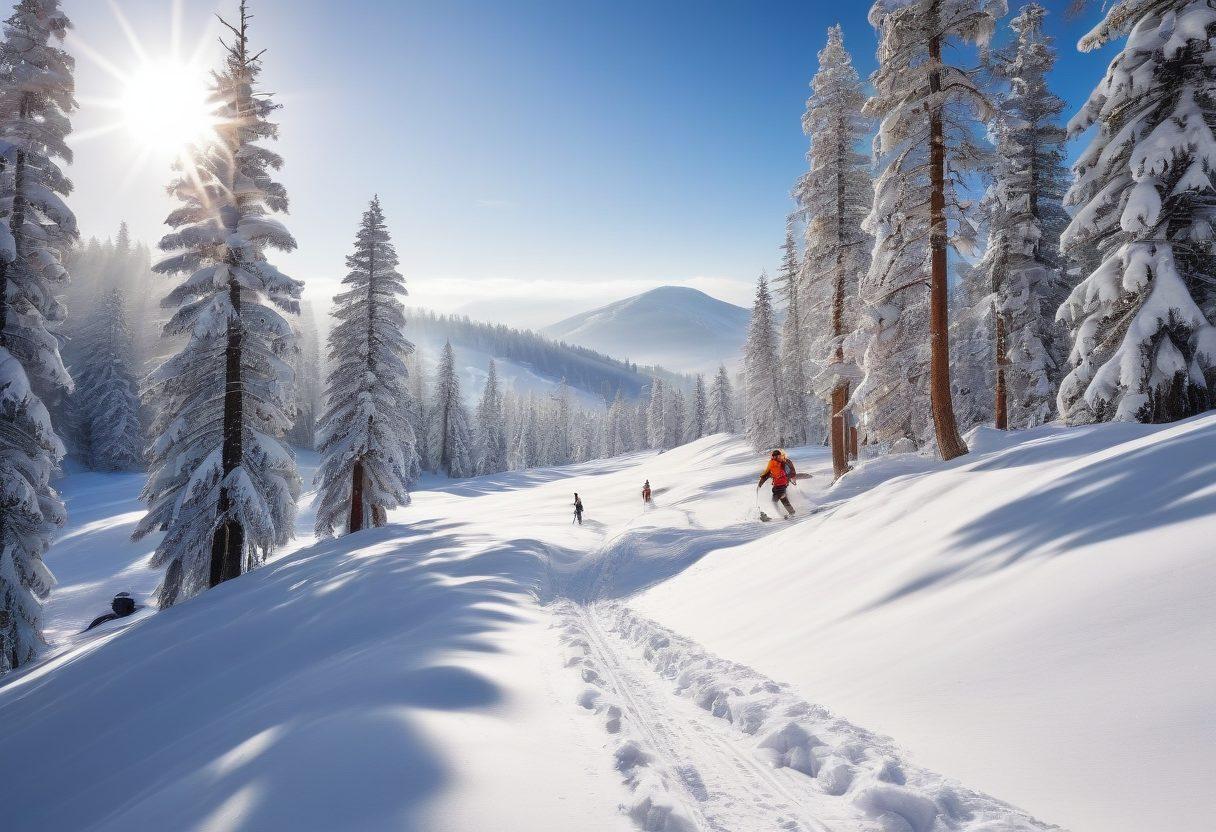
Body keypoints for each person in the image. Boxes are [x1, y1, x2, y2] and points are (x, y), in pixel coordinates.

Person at [757, 449, 796, 517]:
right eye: (775, 456)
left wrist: (789, 478)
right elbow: (766, 473)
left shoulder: (784, 462)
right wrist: (760, 484)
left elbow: (790, 472)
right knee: (774, 500)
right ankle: (780, 514)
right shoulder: (772, 463)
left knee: (782, 497)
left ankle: (791, 513)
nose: (777, 457)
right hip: (776, 485)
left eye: (778, 456)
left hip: (783, 483)